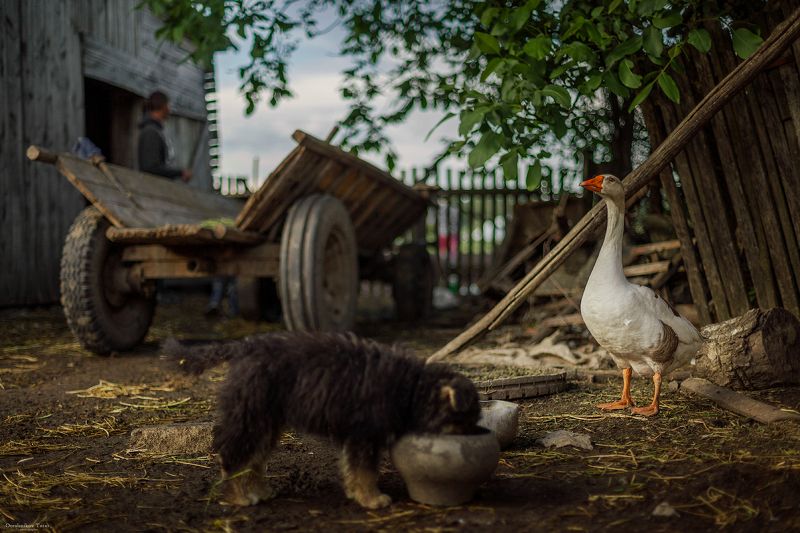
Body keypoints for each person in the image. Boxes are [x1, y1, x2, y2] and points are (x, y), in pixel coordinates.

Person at [137, 91, 192, 181]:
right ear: (163, 106)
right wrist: (180, 172)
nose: (170, 109)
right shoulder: (150, 132)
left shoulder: (155, 130)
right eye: (168, 105)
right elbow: (150, 167)